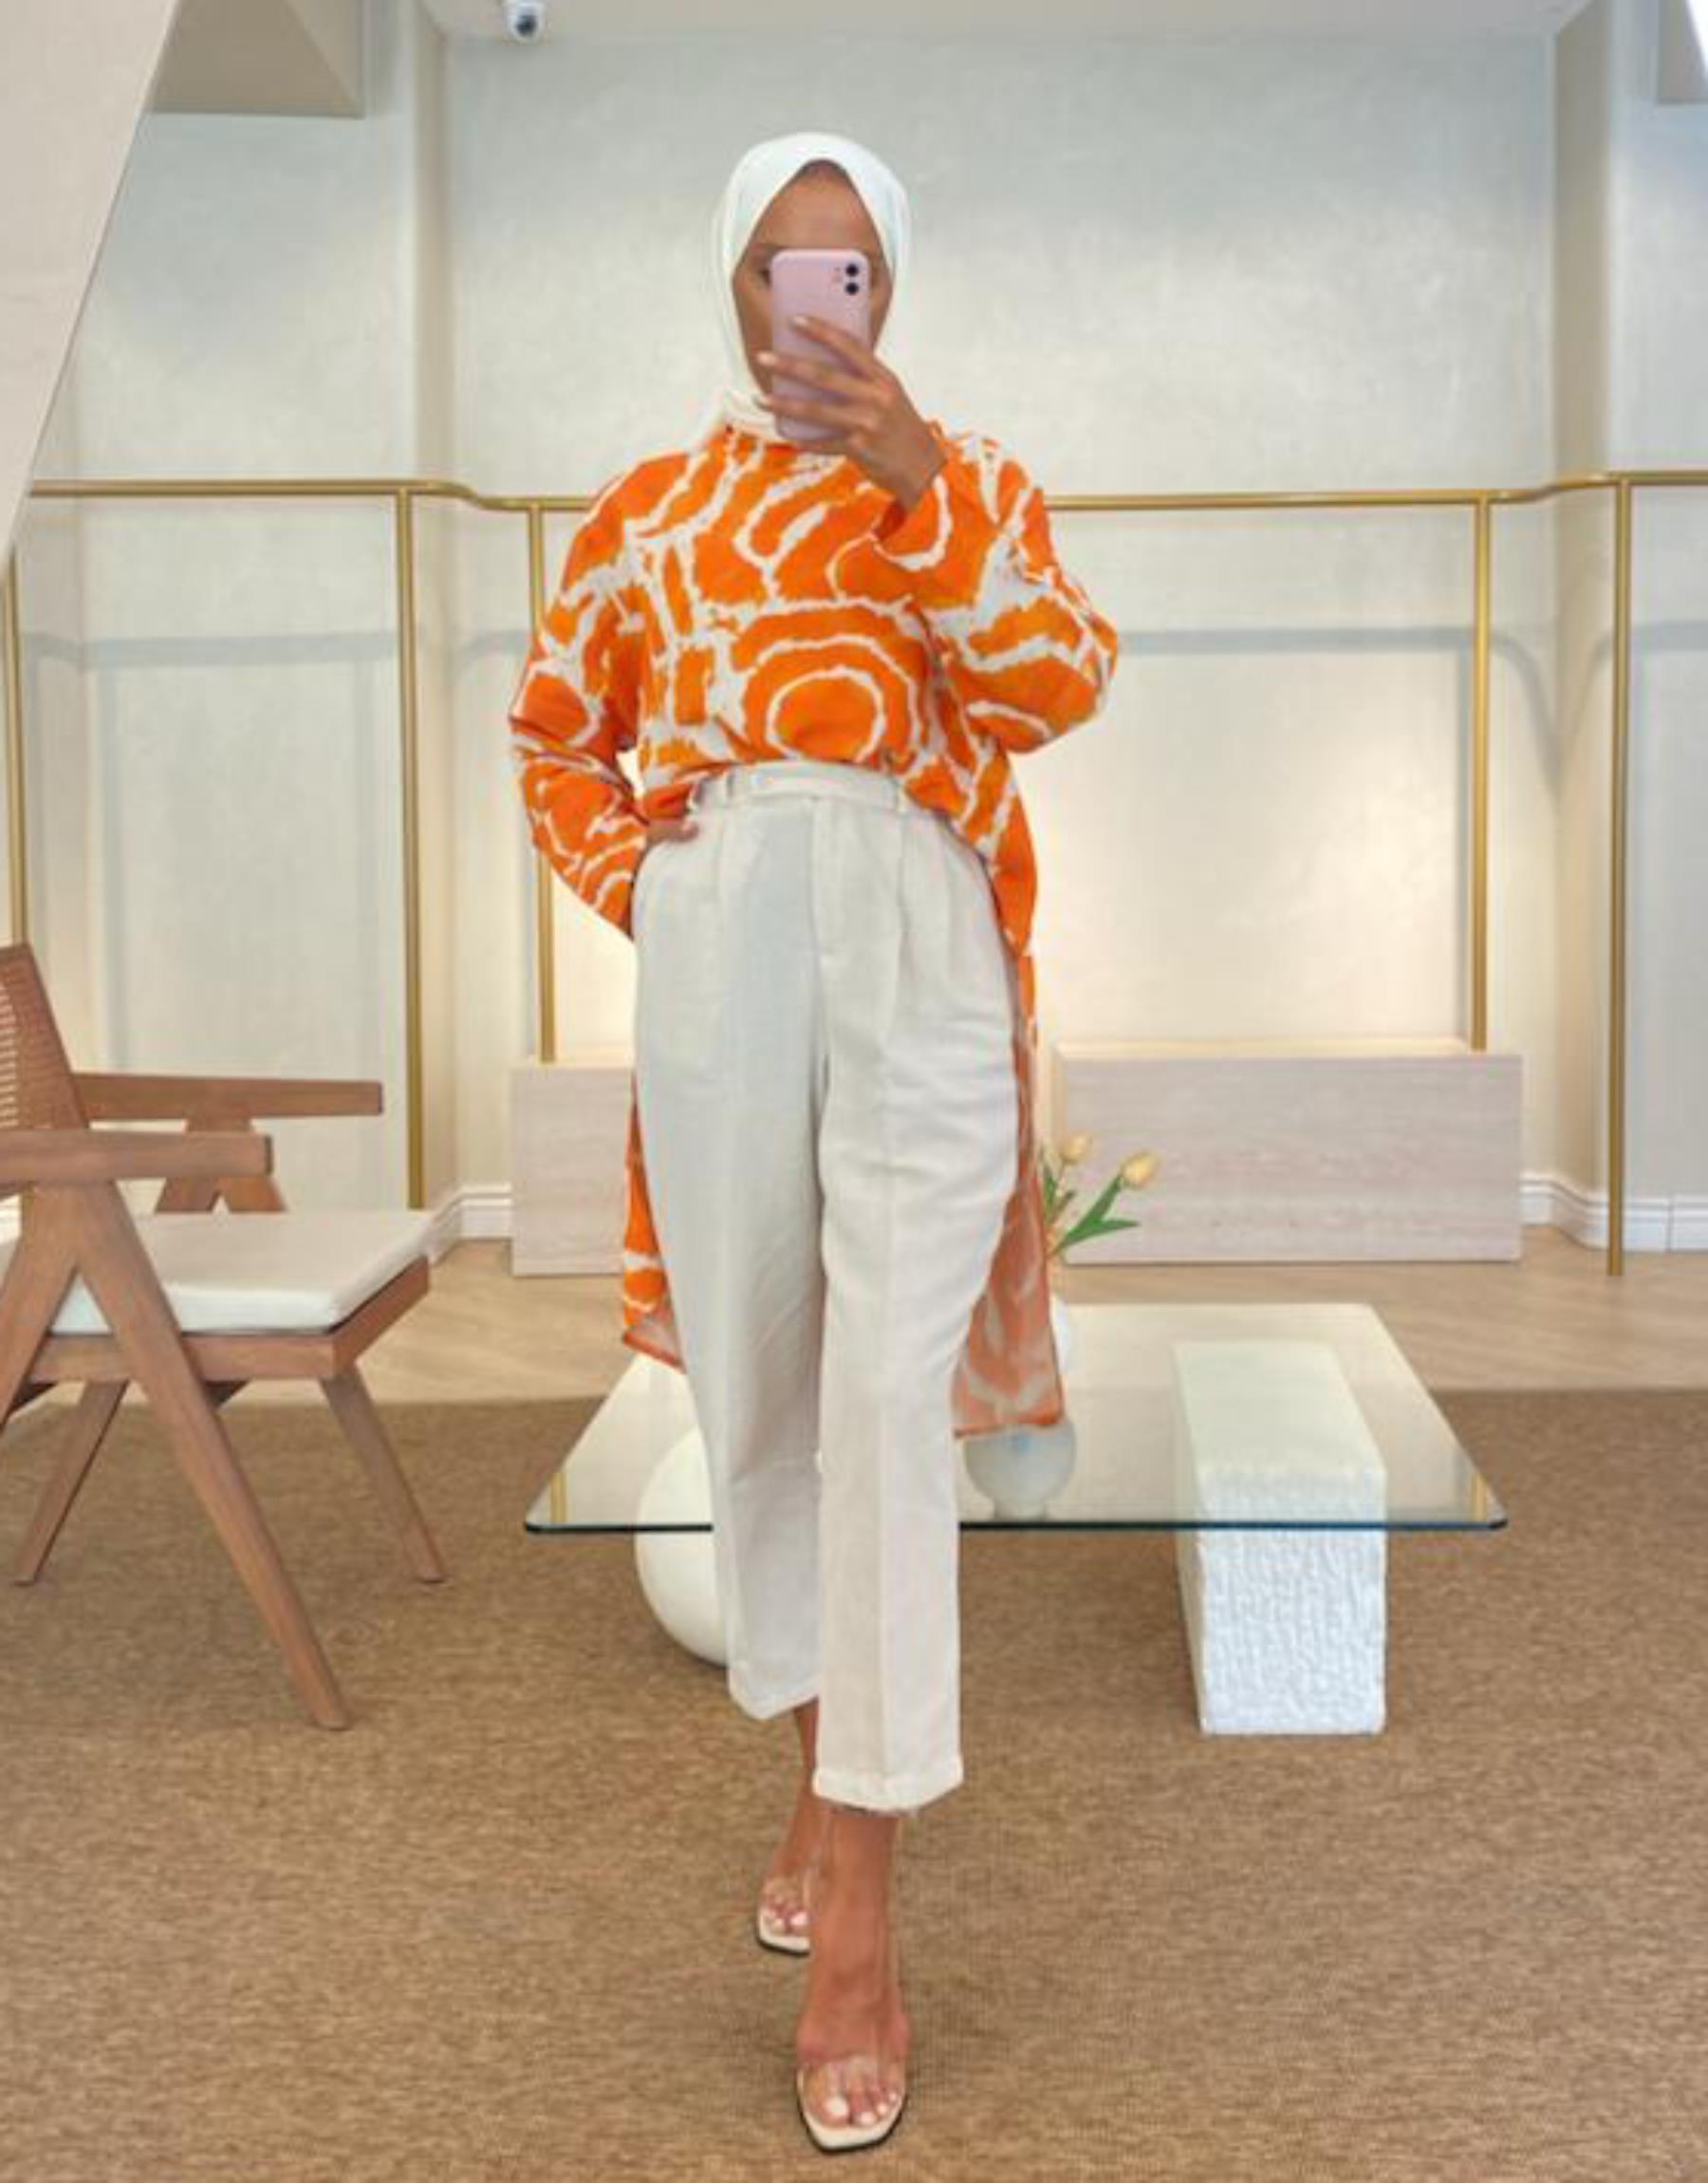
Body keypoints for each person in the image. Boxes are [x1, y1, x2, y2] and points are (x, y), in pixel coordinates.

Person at [507, 128, 1119, 2155]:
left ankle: (861, 1898)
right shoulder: (646, 511)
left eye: (850, 269)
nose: (812, 303)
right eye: (783, 263)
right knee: (764, 1392)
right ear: (733, 282)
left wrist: (921, 477)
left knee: (880, 1401)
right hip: (724, 940)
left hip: (920, 921)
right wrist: (649, 882)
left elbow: (1057, 682)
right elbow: (552, 736)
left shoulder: (966, 477)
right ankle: (819, 1767)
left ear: (892, 294)